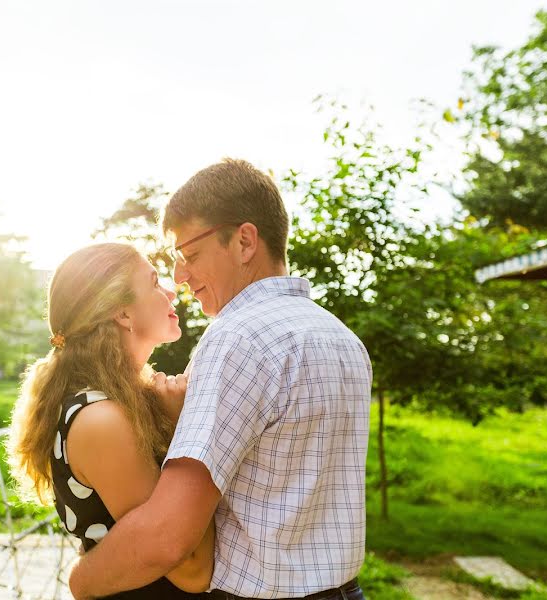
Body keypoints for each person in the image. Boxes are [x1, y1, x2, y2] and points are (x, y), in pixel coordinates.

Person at [69, 159, 372, 600]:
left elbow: (170, 539)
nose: (180, 277)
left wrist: (81, 580)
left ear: (245, 241)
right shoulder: (343, 339)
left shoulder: (235, 339)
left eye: (190, 255)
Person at [6, 242, 215, 598]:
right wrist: (190, 434)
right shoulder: (100, 419)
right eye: (153, 283)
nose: (171, 290)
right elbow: (193, 569)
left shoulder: (127, 400)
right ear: (123, 314)